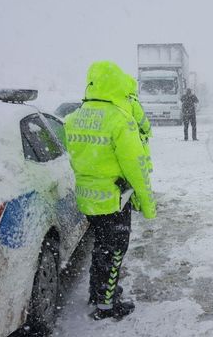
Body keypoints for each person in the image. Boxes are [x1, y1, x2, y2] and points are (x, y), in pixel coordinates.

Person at [64, 61, 156, 320]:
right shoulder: (119, 120)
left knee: (101, 246)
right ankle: (107, 304)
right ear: (117, 84)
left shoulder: (74, 117)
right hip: (114, 199)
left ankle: (99, 290)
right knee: (115, 250)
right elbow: (136, 167)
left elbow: (75, 158)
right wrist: (147, 204)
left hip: (88, 199)